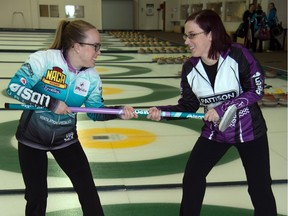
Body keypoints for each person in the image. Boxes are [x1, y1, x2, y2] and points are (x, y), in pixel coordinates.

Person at [147, 9, 277, 216]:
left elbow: (257, 90)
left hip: (250, 131)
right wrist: (161, 112)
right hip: (216, 132)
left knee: (259, 186)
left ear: (210, 34)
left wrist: (223, 107)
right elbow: (188, 105)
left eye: (191, 35)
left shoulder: (238, 55)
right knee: (192, 177)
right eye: (185, 35)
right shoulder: (190, 68)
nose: (186, 41)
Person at [6, 20, 138, 216]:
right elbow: (14, 87)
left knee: (88, 191)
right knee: (36, 196)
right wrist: (51, 103)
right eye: (95, 46)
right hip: (32, 139)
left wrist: (119, 112)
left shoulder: (92, 78)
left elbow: (95, 112)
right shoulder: (44, 60)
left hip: (66, 139)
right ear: (77, 46)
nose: (99, 52)